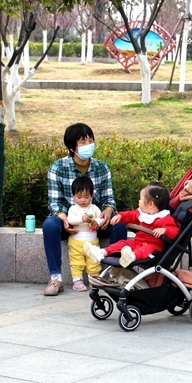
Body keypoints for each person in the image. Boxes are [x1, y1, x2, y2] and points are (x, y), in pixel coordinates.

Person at [42, 123, 127, 296]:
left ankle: (113, 274)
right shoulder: (58, 168)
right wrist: (64, 218)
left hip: (96, 225)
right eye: (83, 141)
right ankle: (56, 278)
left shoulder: (101, 167)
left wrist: (108, 211)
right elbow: (54, 203)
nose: (89, 144)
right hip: (70, 223)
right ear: (72, 147)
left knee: (120, 225)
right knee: (49, 225)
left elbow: (109, 199)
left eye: (91, 140)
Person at [84, 182, 179, 268]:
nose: (139, 201)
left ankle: (130, 257)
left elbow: (174, 230)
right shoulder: (141, 213)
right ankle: (101, 252)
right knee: (122, 243)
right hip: (137, 242)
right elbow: (130, 215)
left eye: (140, 199)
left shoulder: (165, 218)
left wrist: (165, 230)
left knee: (146, 249)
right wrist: (120, 216)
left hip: (153, 246)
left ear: (150, 204)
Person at [66, 176, 104, 291]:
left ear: (92, 195)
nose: (83, 200)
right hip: (76, 242)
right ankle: (77, 281)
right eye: (79, 197)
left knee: (94, 260)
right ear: (73, 196)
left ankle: (94, 279)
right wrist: (82, 218)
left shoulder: (94, 208)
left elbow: (101, 218)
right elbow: (70, 220)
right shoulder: (73, 209)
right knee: (76, 261)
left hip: (92, 241)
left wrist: (97, 222)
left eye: (86, 197)